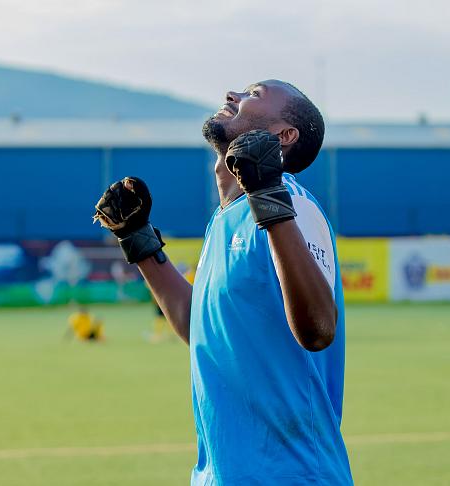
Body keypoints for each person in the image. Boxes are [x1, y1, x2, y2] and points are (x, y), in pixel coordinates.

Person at [93, 80, 352, 485]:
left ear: (284, 136)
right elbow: (199, 325)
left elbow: (319, 329)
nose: (233, 96)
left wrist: (269, 196)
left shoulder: (295, 203)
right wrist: (138, 240)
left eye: (255, 94)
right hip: (220, 474)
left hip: (290, 474)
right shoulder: (224, 218)